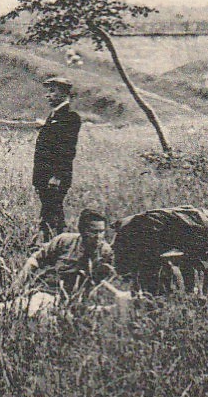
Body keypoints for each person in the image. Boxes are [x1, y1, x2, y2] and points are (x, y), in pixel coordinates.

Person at [19, 208, 127, 319]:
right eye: (94, 232)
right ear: (82, 230)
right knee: (36, 312)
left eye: (102, 231)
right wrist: (18, 284)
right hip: (48, 292)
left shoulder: (105, 252)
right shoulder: (64, 240)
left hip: (76, 299)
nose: (98, 236)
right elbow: (34, 260)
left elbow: (105, 281)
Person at [33, 76, 82, 237]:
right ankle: (55, 241)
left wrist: (57, 176)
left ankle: (55, 242)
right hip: (45, 176)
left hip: (54, 179)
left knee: (51, 215)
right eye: (48, 91)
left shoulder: (70, 117)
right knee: (51, 213)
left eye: (52, 91)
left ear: (64, 93)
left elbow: (67, 150)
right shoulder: (54, 116)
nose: (47, 95)